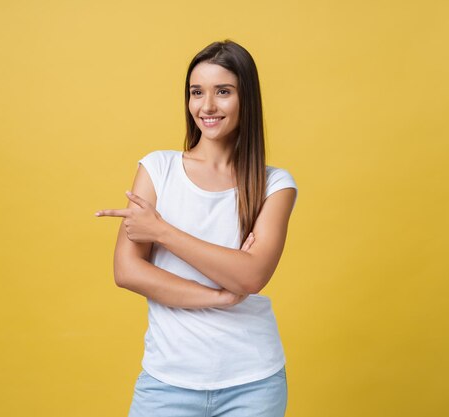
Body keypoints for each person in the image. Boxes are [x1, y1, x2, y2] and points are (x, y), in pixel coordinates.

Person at [95, 39, 298, 417]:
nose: (207, 106)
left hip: (253, 382)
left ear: (246, 100)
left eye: (223, 92)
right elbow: (127, 271)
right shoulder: (158, 169)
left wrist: (161, 231)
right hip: (167, 382)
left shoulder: (275, 185)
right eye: (196, 92)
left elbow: (252, 276)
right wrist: (219, 296)